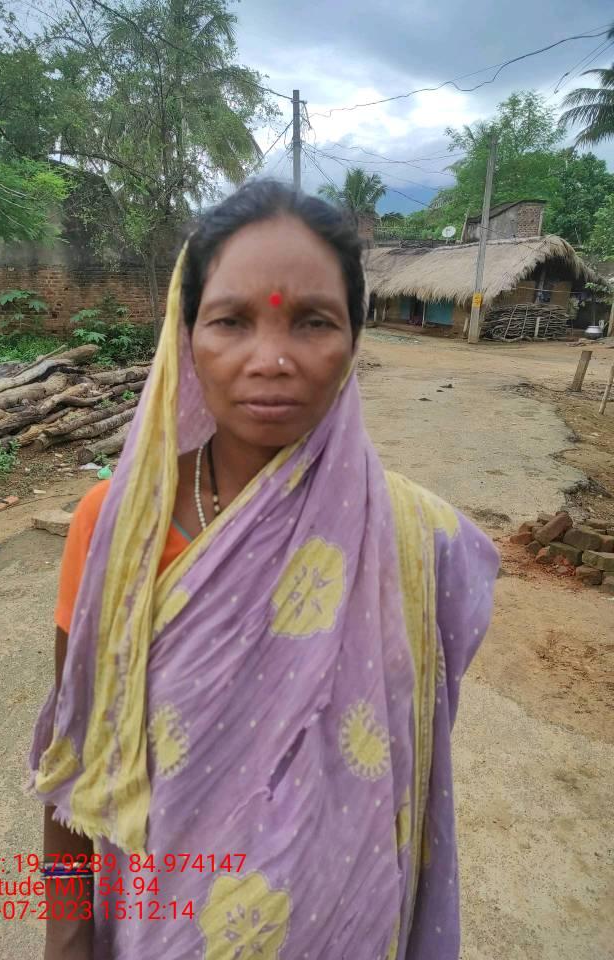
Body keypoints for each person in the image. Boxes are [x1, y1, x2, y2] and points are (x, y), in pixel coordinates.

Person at [27, 179, 499, 960]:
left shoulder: (417, 540)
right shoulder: (116, 532)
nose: (272, 360)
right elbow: (76, 760)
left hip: (348, 931)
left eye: (313, 321)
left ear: (354, 339)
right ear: (187, 338)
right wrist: (69, 941)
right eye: (232, 321)